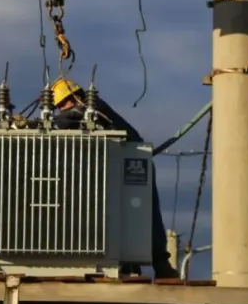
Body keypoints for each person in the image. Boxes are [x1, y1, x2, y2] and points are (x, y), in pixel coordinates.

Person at [49, 77, 179, 279]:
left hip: (134, 158)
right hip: (112, 162)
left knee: (144, 212)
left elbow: (69, 119)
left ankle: (160, 263)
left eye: (65, 102)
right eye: (59, 106)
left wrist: (45, 122)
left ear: (76, 96)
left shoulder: (92, 107)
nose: (63, 108)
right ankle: (123, 264)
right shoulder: (81, 115)